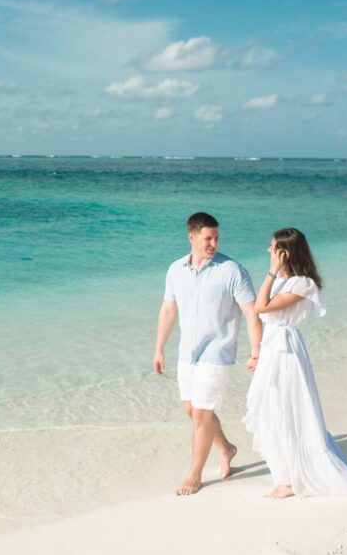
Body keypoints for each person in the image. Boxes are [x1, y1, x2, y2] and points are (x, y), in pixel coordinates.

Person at [242, 228, 347, 499]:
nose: (268, 251)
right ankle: (284, 477)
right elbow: (264, 313)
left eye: (272, 247)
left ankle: (290, 481)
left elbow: (261, 308)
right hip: (272, 350)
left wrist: (270, 271)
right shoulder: (282, 280)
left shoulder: (304, 284)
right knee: (268, 412)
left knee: (286, 412)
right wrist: (258, 355)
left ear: (284, 253)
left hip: (287, 353)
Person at [154, 212, 261, 496]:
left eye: (216, 238)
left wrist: (256, 352)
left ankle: (194, 475)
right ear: (192, 237)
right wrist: (159, 348)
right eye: (207, 238)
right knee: (192, 411)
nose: (213, 243)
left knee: (201, 414)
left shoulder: (232, 270)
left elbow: (251, 313)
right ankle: (226, 448)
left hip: (218, 352)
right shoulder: (175, 269)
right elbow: (168, 310)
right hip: (187, 352)